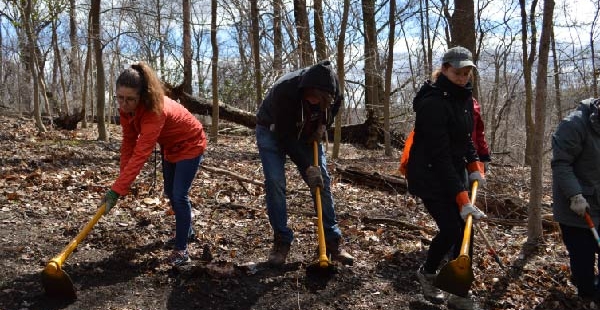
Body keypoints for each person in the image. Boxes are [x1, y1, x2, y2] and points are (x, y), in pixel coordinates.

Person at [100, 62, 208, 266]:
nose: (124, 104)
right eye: (120, 97)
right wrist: (122, 181)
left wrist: (116, 190)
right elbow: (129, 144)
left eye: (130, 99)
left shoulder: (154, 111)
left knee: (179, 195)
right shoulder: (126, 111)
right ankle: (188, 230)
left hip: (191, 143)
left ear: (143, 96)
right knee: (169, 192)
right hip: (170, 146)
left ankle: (182, 250)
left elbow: (141, 153)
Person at [405, 46, 486, 310]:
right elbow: (438, 156)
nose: (462, 78)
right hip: (429, 175)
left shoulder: (463, 98)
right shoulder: (432, 104)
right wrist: (462, 198)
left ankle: (459, 292)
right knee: (452, 228)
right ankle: (427, 274)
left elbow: (466, 138)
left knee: (466, 231)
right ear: (445, 70)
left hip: (454, 171)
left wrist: (475, 165)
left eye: (466, 73)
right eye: (457, 72)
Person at [255, 60, 354, 267]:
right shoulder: (286, 91)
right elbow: (285, 136)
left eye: (316, 99)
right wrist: (308, 166)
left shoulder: (335, 92)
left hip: (306, 132)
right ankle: (282, 240)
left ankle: (331, 241)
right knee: (275, 182)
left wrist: (323, 127)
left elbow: (330, 115)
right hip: (272, 130)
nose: (311, 100)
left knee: (322, 181)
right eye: (309, 96)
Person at [552, 98, 600, 300]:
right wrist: (575, 195)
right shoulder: (573, 124)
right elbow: (561, 164)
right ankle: (586, 292)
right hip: (577, 207)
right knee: (583, 261)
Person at [472, 98, 491, 172]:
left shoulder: (472, 102)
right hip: (450, 160)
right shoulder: (439, 100)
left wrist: (484, 155)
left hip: (473, 156)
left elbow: (479, 132)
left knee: (477, 181)